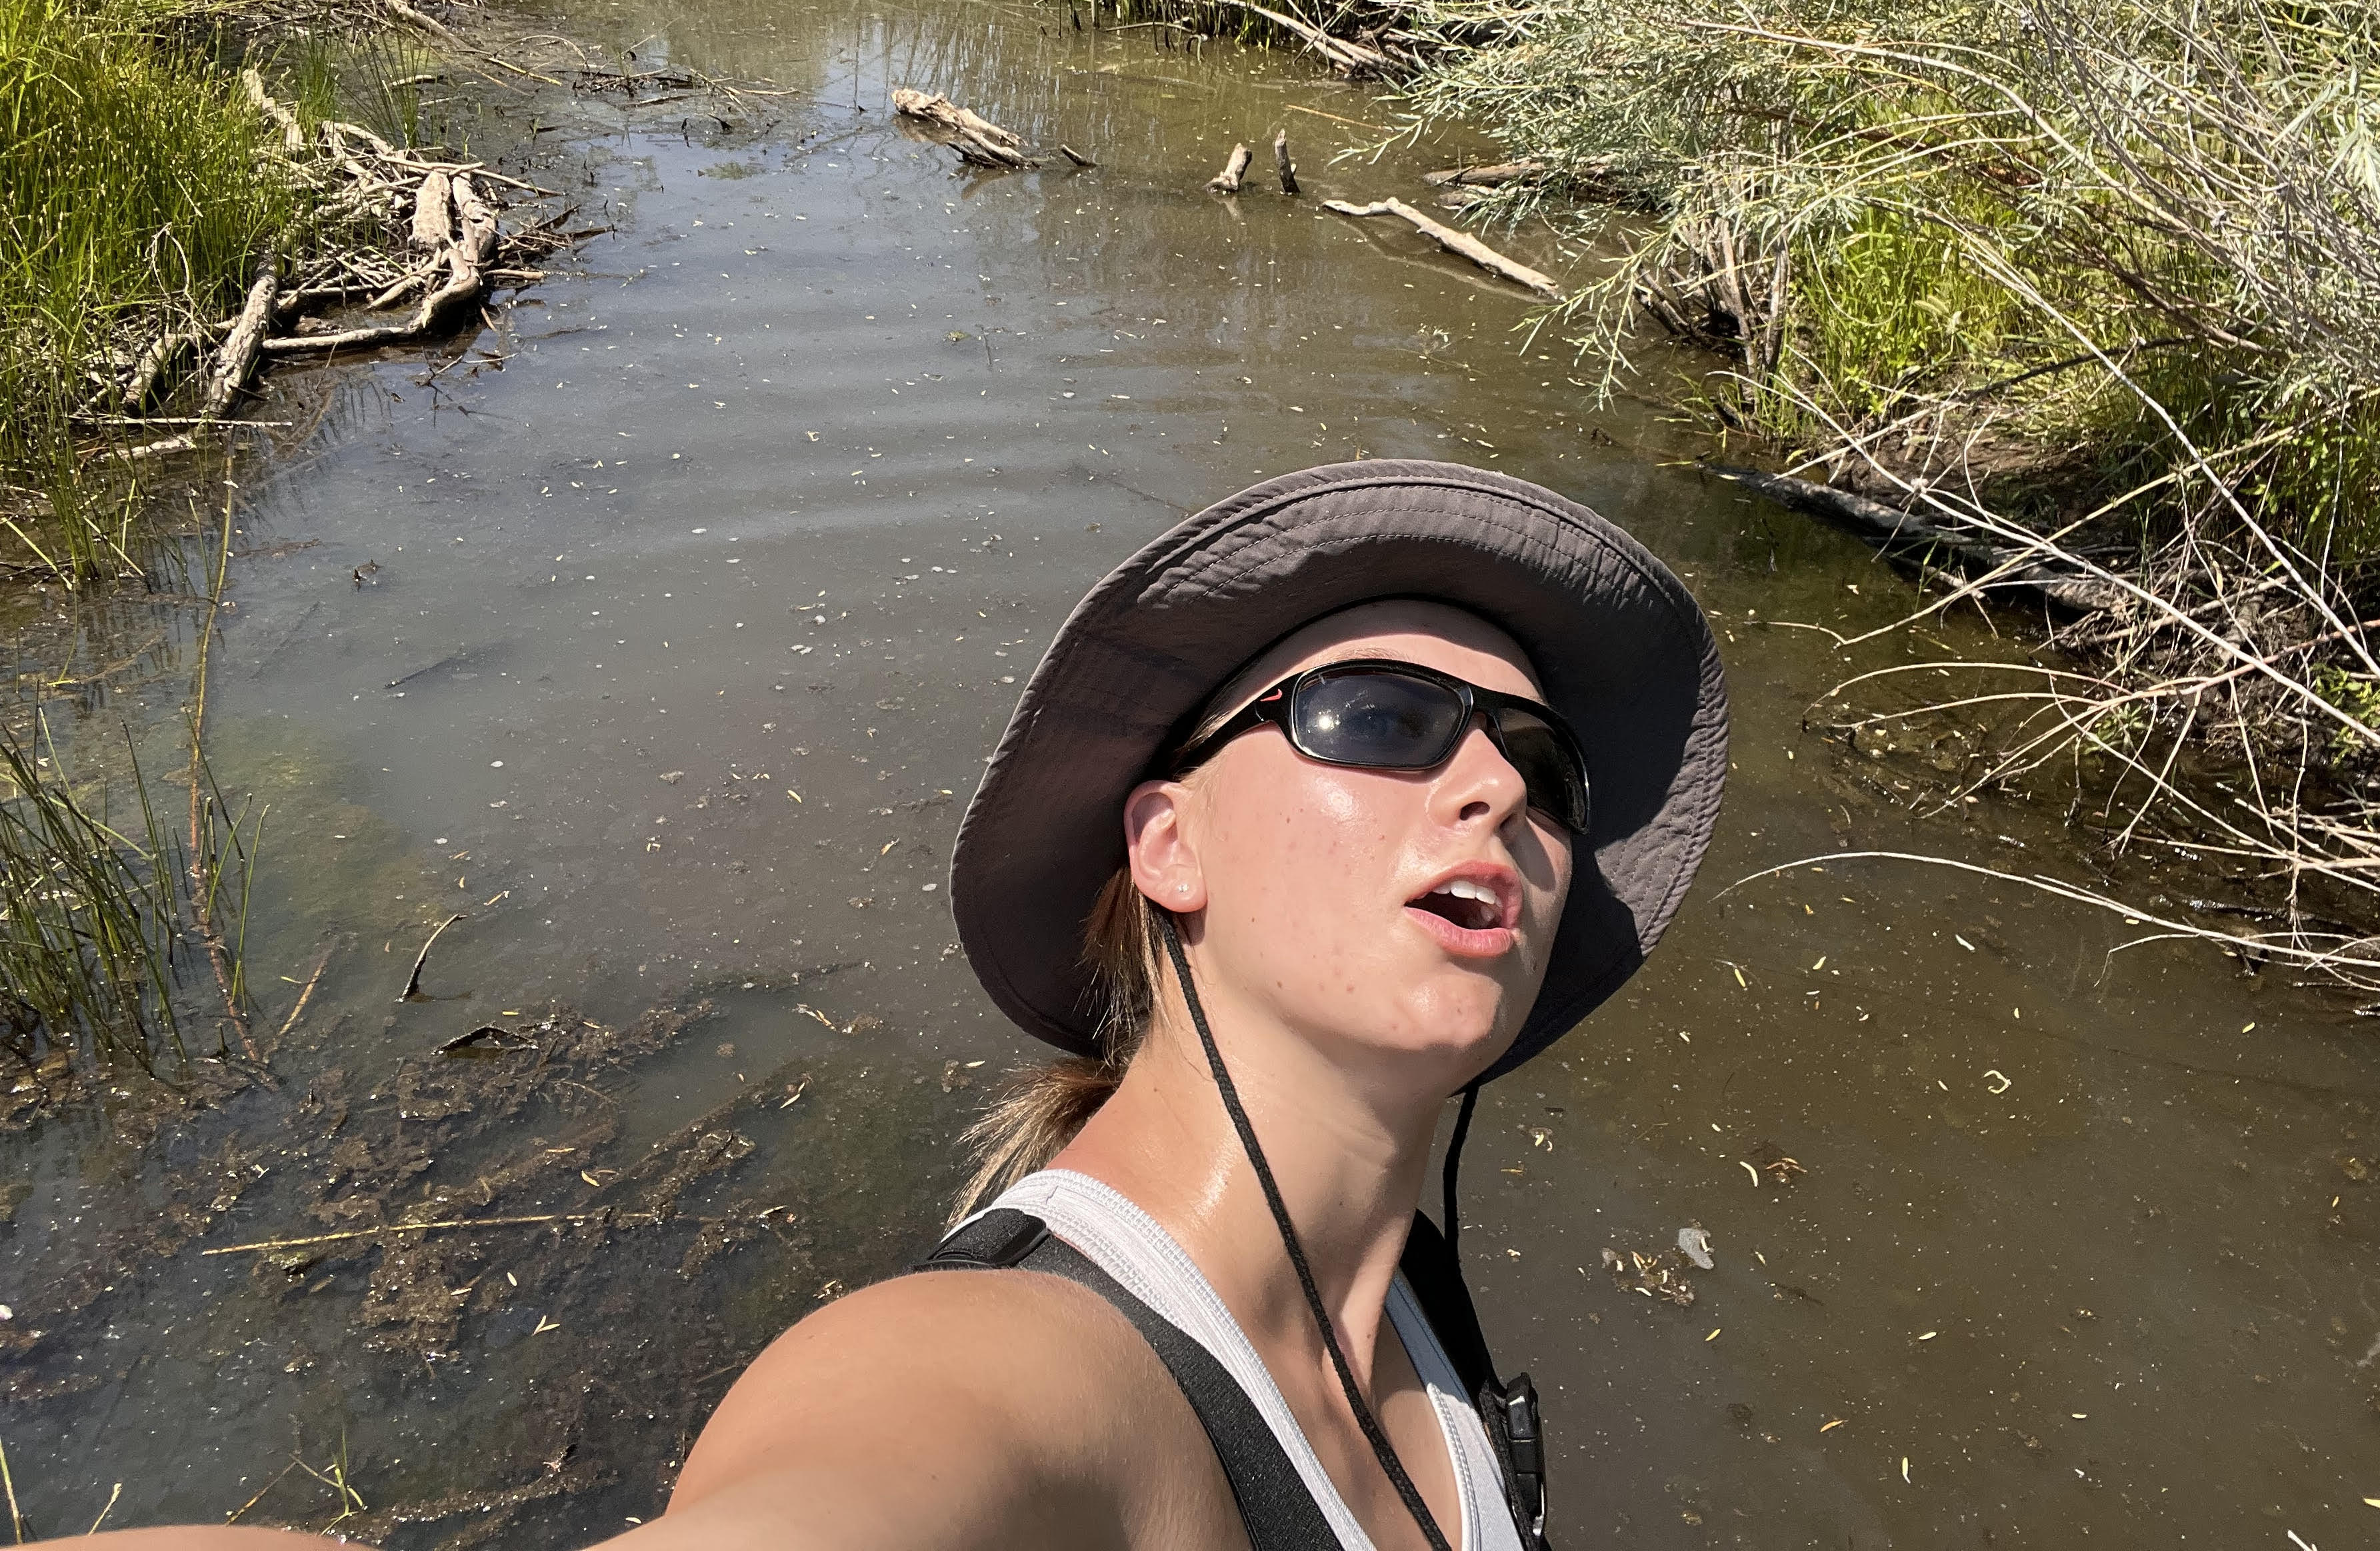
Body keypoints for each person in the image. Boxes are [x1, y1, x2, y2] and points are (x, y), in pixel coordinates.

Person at [53, 461, 1727, 1551]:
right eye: (1379, 718)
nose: (1496, 791)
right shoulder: (1018, 1370)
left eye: (1544, 764)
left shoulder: (1420, 1319)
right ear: (1168, 842)